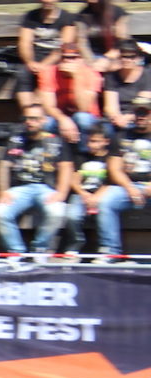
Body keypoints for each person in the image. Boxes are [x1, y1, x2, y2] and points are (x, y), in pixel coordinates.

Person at [0, 103, 71, 256]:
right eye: (26, 118)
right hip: (20, 188)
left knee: (57, 212)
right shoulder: (16, 140)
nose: (29, 122)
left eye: (34, 119)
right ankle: (16, 251)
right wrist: (3, 191)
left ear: (44, 120)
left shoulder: (57, 141)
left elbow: (66, 167)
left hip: (46, 188)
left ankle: (40, 249)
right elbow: (3, 166)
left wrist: (61, 192)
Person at [96, 103, 151, 262]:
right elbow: (114, 168)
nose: (140, 116)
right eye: (138, 112)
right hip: (127, 186)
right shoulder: (121, 136)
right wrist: (130, 187)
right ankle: (111, 252)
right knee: (105, 201)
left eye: (145, 113)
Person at [39, 43, 101, 152]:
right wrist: (64, 119)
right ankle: (52, 158)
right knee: (45, 122)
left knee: (82, 118)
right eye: (64, 57)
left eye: (72, 58)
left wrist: (77, 76)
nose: (67, 61)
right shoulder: (48, 72)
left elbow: (84, 108)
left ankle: (83, 155)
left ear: (80, 59)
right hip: (60, 118)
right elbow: (48, 106)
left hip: (87, 119)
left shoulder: (92, 74)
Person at [15, 0, 76, 110]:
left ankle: (39, 113)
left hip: (56, 58)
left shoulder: (67, 17)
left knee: (46, 73)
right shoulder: (31, 16)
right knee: (23, 72)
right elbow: (24, 43)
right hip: (35, 55)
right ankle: (28, 114)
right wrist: (29, 61)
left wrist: (43, 65)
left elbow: (63, 47)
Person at [63, 126, 111, 255]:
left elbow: (111, 182)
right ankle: (75, 245)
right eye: (90, 141)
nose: (92, 145)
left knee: (105, 213)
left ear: (106, 142)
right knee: (72, 216)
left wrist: (96, 197)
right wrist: (83, 193)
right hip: (82, 194)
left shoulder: (111, 159)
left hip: (103, 194)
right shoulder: (81, 157)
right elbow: (74, 180)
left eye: (96, 141)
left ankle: (106, 249)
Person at [102, 40, 150, 133]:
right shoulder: (111, 76)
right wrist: (117, 118)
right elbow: (110, 106)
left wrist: (127, 118)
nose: (127, 60)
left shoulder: (147, 75)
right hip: (116, 120)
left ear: (138, 58)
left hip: (139, 118)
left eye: (131, 57)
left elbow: (144, 106)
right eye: (123, 56)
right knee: (105, 129)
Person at [76, 0, 127, 73]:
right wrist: (92, 63)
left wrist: (108, 58)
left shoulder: (118, 12)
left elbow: (123, 40)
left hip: (115, 55)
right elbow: (82, 44)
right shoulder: (82, 16)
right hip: (93, 57)